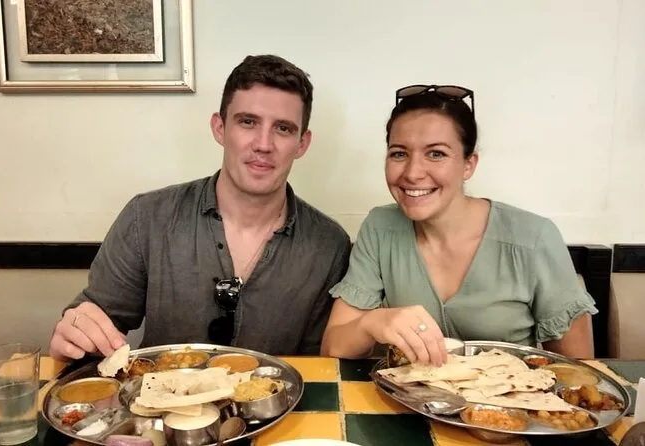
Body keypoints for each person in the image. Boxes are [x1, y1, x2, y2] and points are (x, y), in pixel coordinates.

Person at [49, 55, 352, 362]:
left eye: (283, 128)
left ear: (302, 144)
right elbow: (94, 325)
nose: (263, 144)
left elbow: (320, 368)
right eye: (248, 122)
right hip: (159, 391)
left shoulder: (329, 245)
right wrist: (76, 338)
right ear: (219, 128)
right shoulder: (148, 218)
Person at [320, 84, 598, 366]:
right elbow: (333, 349)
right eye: (399, 154)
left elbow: (579, 371)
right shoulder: (380, 228)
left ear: (469, 164)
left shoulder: (533, 238)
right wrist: (372, 322)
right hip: (404, 392)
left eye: (436, 154)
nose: (413, 173)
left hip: (510, 394)